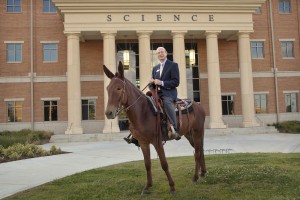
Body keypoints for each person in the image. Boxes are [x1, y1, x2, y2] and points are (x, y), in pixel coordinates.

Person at [150, 47, 181, 140]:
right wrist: (151, 83)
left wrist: (161, 83)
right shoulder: (155, 68)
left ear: (166, 53)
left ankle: (174, 129)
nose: (160, 54)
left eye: (162, 52)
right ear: (156, 55)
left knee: (167, 103)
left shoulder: (173, 65)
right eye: (158, 53)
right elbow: (153, 84)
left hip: (169, 93)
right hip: (157, 94)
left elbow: (176, 82)